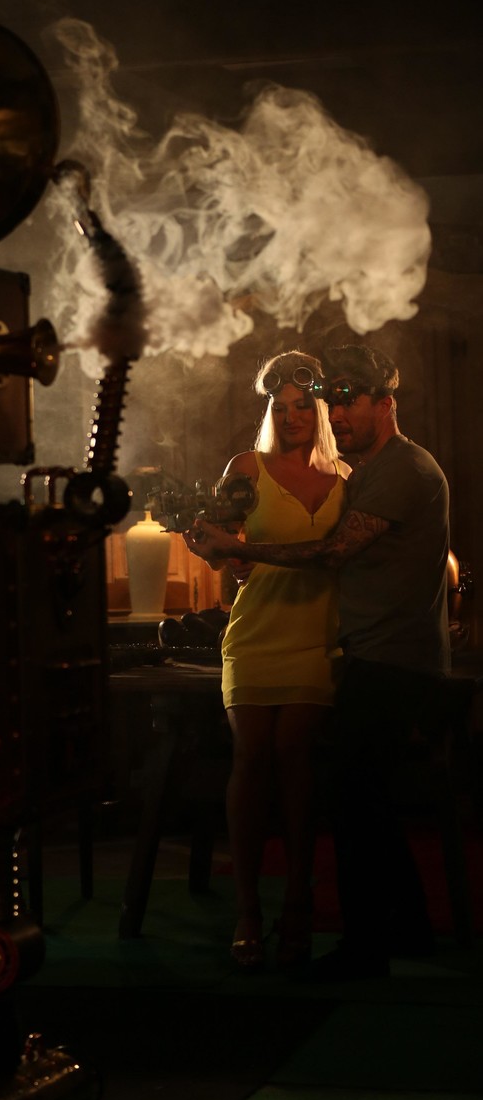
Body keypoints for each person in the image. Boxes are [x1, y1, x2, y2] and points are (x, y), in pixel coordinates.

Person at [187, 343, 450, 981]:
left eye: (342, 402)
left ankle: (360, 946)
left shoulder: (388, 471)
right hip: (353, 648)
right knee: (358, 797)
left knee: (348, 794)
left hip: (379, 654)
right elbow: (226, 544)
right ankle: (404, 927)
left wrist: (252, 554)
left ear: (386, 404)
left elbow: (333, 553)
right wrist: (227, 554)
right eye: (332, 401)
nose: (334, 413)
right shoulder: (367, 470)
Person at [192, 350, 351, 971]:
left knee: (292, 755)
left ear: (320, 410)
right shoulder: (246, 467)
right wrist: (219, 551)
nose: (291, 417)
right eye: (280, 408)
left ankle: (299, 904)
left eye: (302, 406)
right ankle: (249, 911)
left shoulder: (347, 477)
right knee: (252, 757)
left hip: (318, 638)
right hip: (255, 634)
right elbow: (216, 539)